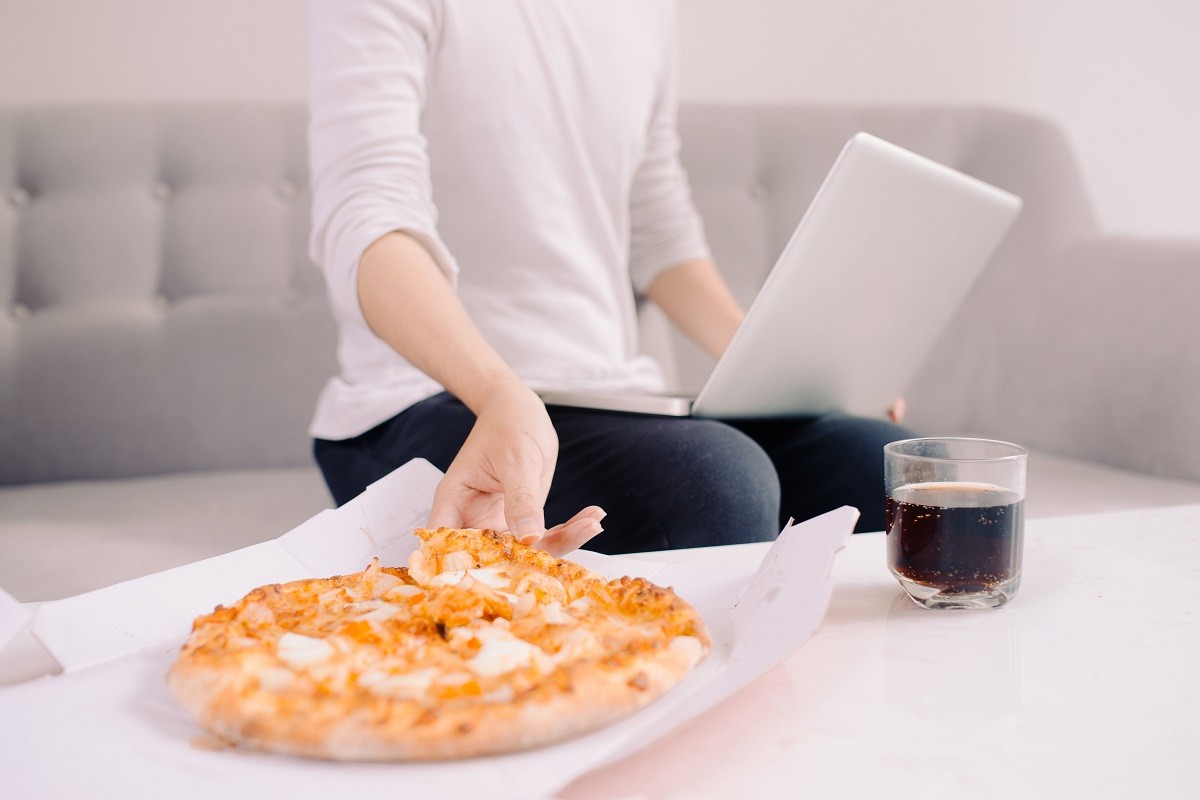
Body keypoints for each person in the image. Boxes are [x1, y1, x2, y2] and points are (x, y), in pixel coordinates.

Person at [306, 0, 914, 557]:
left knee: (884, 467)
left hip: (606, 395)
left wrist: (786, 368)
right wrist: (498, 393)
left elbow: (657, 226)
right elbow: (369, 217)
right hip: (429, 398)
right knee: (719, 483)